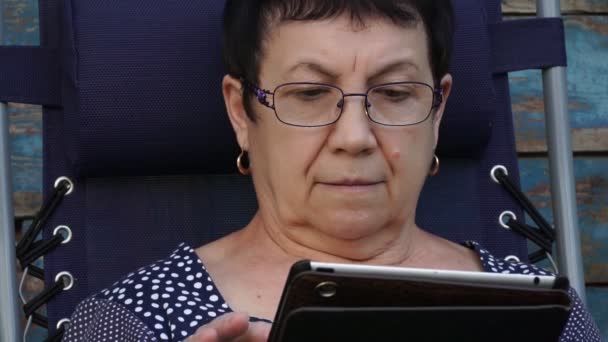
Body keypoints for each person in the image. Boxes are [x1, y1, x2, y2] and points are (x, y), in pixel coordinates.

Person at [63, 0, 602, 341]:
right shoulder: (127, 324)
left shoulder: (539, 312)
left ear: (438, 111)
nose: (353, 137)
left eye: (394, 93)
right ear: (240, 112)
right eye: (309, 94)